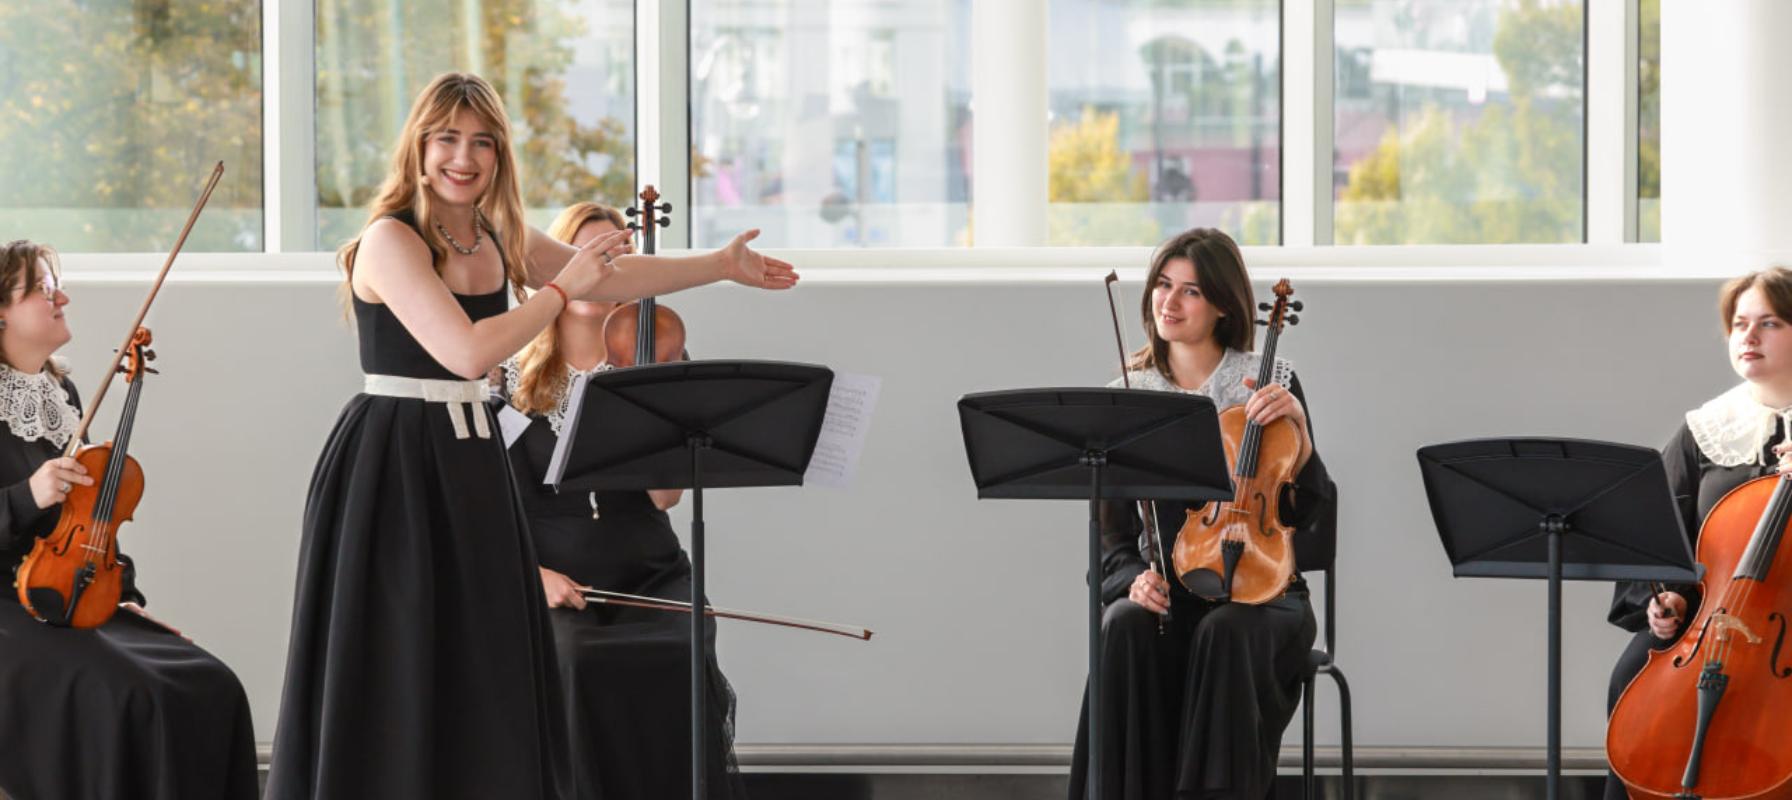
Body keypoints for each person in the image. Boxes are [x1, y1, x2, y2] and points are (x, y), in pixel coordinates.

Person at [266, 73, 796, 799]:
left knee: (484, 659)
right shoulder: (391, 239)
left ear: (500, 154)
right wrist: (560, 289)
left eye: (482, 142)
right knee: (400, 649)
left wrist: (721, 267)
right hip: (396, 455)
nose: (464, 157)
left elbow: (613, 279)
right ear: (419, 146)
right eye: (447, 139)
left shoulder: (491, 232)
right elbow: (468, 353)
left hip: (466, 454)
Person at [486, 200, 747, 798]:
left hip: (649, 572)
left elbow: (665, 499)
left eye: (614, 260)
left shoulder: (655, 356)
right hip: (551, 579)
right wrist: (531, 574)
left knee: (681, 648)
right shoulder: (503, 369)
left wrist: (652, 396)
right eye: (585, 254)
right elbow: (481, 499)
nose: (597, 270)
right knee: (577, 660)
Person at [1069, 227, 1337, 800]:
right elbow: (1111, 540)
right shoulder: (1129, 393)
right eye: (1163, 284)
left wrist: (1301, 435)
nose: (1169, 301)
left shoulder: (1267, 382)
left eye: (1190, 291)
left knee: (1226, 628)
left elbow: (1311, 516)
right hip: (1173, 589)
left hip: (1263, 595)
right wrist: (1133, 580)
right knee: (1124, 623)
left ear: (1222, 305)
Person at [0, 240, 258, 800]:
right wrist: (28, 495)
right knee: (137, 698)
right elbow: (35, 506)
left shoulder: (62, 394)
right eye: (42, 289)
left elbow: (92, 520)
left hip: (67, 596)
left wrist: (122, 593)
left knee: (211, 684)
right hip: (8, 612)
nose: (61, 298)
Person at [1603, 266, 1792, 799]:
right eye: (1739, 324)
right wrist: (1667, 600)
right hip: (1716, 621)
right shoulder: (1708, 428)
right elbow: (1655, 534)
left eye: (1770, 323)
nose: (1749, 336)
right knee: (1631, 673)